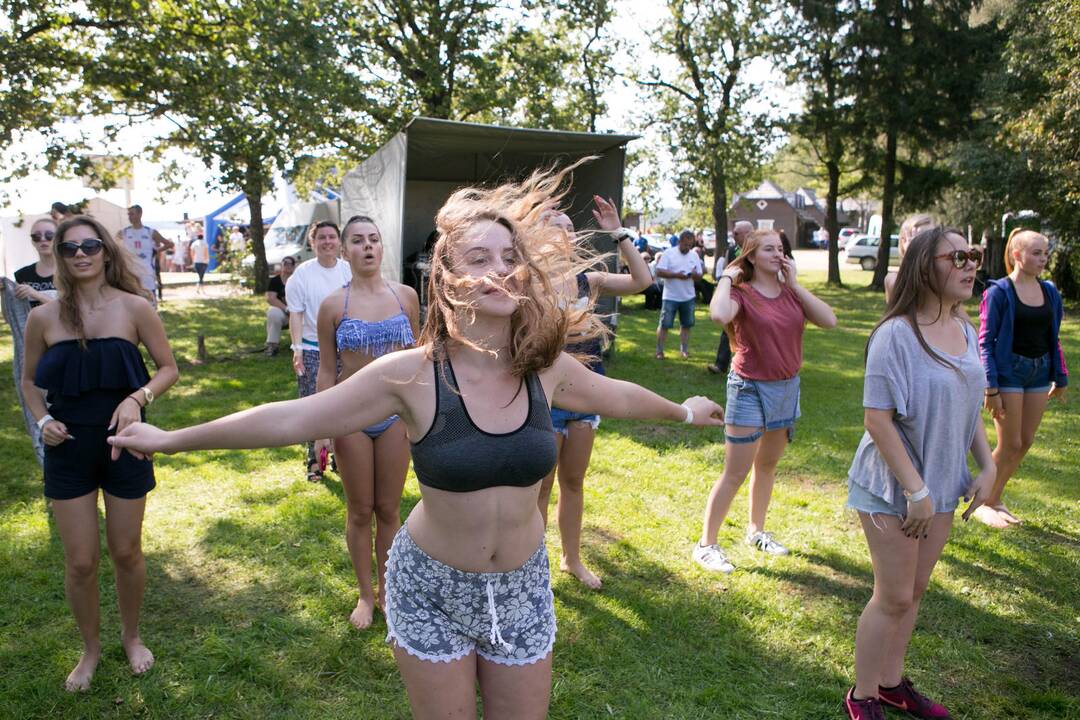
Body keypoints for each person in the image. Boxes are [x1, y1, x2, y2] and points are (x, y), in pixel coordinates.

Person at [109, 164, 724, 720]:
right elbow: (293, 418)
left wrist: (684, 411)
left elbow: (620, 398)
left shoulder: (546, 367)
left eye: (509, 256)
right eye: (479, 258)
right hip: (431, 587)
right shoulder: (411, 374)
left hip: (522, 587)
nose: (500, 269)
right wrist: (171, 439)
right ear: (449, 278)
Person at [21, 216, 179, 692]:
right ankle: (89, 649)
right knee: (81, 562)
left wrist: (137, 399)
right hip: (68, 449)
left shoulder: (135, 308)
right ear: (62, 260)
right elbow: (29, 383)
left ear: (106, 251)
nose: (80, 254)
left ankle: (131, 637)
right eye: (70, 249)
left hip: (126, 445)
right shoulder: (43, 317)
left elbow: (167, 369)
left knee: (126, 551)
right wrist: (44, 422)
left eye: (90, 245)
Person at [842, 227, 994, 720]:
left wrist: (989, 466)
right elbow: (877, 419)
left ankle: (891, 684)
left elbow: (969, 409)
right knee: (893, 596)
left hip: (941, 485)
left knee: (916, 592)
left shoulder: (966, 329)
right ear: (925, 266)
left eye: (973, 256)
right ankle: (862, 696)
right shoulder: (895, 335)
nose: (970, 264)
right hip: (895, 486)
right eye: (958, 257)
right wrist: (917, 490)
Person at [694, 229, 837, 572]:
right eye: (769, 249)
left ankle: (756, 531)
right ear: (752, 257)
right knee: (735, 472)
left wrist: (796, 284)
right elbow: (717, 315)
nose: (778, 254)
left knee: (768, 467)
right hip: (749, 389)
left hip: (786, 389)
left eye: (781, 249)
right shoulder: (742, 294)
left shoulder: (792, 294)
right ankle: (706, 545)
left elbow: (829, 321)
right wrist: (727, 277)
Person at [537, 198, 652, 589]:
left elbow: (642, 282)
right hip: (547, 397)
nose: (566, 234)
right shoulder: (528, 283)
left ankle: (571, 559)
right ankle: (533, 566)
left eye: (570, 228)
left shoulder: (590, 279)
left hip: (587, 393)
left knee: (573, 482)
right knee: (541, 484)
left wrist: (618, 232)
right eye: (556, 227)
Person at [315, 215, 420, 630]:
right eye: (357, 241)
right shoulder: (332, 306)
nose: (368, 247)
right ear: (344, 251)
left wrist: (423, 411)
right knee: (360, 510)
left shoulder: (406, 296)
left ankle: (388, 591)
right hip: (351, 417)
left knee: (389, 508)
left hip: (396, 416)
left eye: (374, 239)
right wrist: (321, 424)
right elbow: (325, 371)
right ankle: (364, 594)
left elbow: (423, 355)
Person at [974, 229, 1068, 528]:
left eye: (1045, 253)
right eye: (1037, 253)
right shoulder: (999, 292)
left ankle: (994, 498)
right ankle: (980, 500)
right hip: (1009, 373)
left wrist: (1060, 375)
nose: (1043, 259)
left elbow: (1053, 337)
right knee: (1010, 442)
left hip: (1039, 372)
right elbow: (985, 341)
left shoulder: (1050, 291)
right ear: (1017, 255)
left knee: (1025, 441)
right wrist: (991, 387)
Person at [286, 221, 352, 482]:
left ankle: (339, 455)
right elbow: (296, 315)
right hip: (313, 349)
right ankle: (314, 460)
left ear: (339, 242)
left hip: (346, 350)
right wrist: (297, 350)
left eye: (332, 237)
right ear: (312, 243)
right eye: (321, 237)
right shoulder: (301, 275)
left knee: (344, 404)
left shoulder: (349, 271)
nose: (327, 242)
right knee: (312, 404)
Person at [707, 220, 753, 375]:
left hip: (753, 297)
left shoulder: (758, 250)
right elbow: (727, 270)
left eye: (736, 233)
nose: (733, 236)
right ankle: (721, 365)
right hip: (735, 296)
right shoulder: (732, 250)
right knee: (728, 330)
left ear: (748, 233)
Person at [654, 230, 704, 359]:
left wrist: (694, 275)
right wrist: (677, 275)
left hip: (688, 296)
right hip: (670, 296)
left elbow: (699, 275)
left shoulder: (694, 255)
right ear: (679, 241)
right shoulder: (669, 254)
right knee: (665, 325)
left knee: (686, 325)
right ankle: (659, 351)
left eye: (690, 245)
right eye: (685, 245)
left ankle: (684, 350)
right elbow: (659, 272)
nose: (687, 248)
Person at [119, 205, 174, 304]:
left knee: (150, 302)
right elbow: (113, 243)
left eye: (132, 214)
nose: (130, 217)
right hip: (130, 273)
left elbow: (169, 244)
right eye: (128, 214)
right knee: (132, 302)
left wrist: (156, 250)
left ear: (140, 214)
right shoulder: (124, 232)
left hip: (146, 273)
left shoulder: (150, 232)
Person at [884, 214, 934, 304]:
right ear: (904, 242)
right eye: (921, 239)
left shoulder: (943, 277)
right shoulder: (893, 279)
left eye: (933, 238)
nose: (928, 245)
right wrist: (913, 254)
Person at [15, 217, 59, 307]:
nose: (43, 239)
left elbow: (72, 311)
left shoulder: (71, 272)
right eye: (36, 236)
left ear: (59, 239)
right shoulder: (22, 274)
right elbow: (14, 313)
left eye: (49, 235)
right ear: (32, 241)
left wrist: (36, 295)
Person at [264, 255, 296, 356]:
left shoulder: (298, 280)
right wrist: (286, 309)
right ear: (281, 266)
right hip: (283, 312)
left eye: (290, 264)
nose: (287, 266)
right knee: (273, 313)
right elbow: (270, 298)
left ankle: (303, 346)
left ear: (294, 267)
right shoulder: (275, 281)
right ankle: (272, 345)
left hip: (299, 312)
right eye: (285, 264)